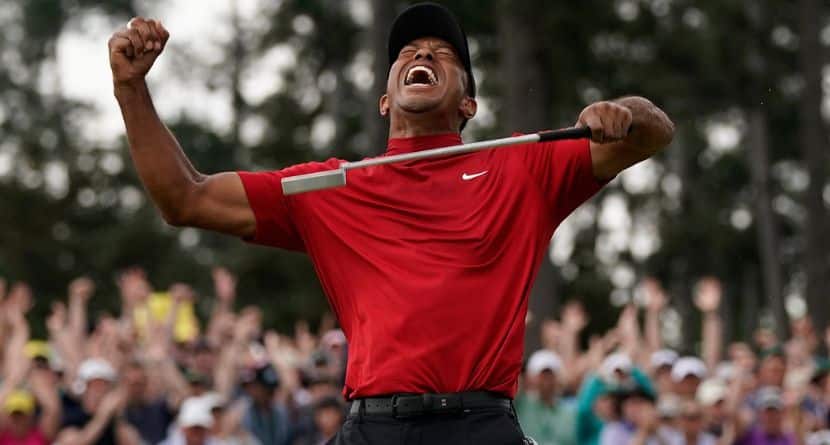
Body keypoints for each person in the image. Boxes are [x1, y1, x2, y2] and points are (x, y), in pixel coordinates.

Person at [107, 1, 674, 443]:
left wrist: (622, 113)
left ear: (469, 105)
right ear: (385, 100)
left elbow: (655, 133)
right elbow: (185, 198)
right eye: (408, 51)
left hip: (479, 426)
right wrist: (131, 89)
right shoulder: (330, 187)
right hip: (373, 428)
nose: (421, 54)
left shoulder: (522, 167)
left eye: (442, 53)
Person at [515, 350, 577, 445]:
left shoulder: (570, 412)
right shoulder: (521, 404)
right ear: (532, 378)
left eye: (550, 375)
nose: (547, 381)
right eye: (542, 376)